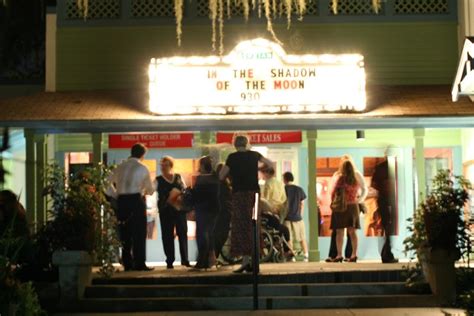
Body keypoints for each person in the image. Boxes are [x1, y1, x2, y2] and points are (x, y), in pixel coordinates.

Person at [219, 134, 273, 273]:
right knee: (253, 226)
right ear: (247, 143)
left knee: (241, 227)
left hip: (239, 194)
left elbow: (221, 175)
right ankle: (254, 262)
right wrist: (259, 170)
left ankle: (245, 262)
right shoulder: (254, 155)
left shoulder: (232, 157)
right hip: (254, 194)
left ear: (235, 144)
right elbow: (270, 163)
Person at [109, 143, 155, 271]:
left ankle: (127, 263)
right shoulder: (143, 168)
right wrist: (148, 190)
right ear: (142, 155)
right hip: (136, 200)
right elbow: (150, 190)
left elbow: (105, 183)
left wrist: (116, 194)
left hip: (122, 201)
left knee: (125, 232)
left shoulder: (119, 167)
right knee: (139, 232)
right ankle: (139, 263)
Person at [326, 155, 367, 262]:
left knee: (339, 232)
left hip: (341, 208)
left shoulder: (340, 178)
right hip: (353, 207)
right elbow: (364, 189)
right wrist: (359, 200)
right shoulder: (355, 178)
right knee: (352, 232)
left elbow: (334, 191)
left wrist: (333, 202)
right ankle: (354, 254)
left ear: (342, 167)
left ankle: (339, 255)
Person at [156, 155, 190, 269]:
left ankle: (185, 259)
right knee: (167, 235)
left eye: (165, 165)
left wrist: (181, 196)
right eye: (162, 165)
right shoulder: (158, 180)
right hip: (165, 210)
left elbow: (184, 189)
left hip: (179, 209)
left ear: (171, 166)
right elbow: (149, 190)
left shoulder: (178, 177)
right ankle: (169, 260)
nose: (163, 167)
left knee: (182, 233)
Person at [192, 156, 220, 270]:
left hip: (202, 209)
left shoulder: (200, 179)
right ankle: (211, 260)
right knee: (210, 233)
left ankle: (202, 261)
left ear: (202, 166)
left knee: (202, 234)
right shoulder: (215, 178)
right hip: (214, 209)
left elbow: (197, 196)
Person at [371, 158, 399, 263]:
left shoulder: (379, 168)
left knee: (386, 226)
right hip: (387, 199)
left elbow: (373, 184)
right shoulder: (391, 167)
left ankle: (386, 253)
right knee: (388, 227)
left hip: (383, 200)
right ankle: (387, 254)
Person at [283, 172, 309, 262]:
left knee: (289, 238)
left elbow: (283, 204)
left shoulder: (284, 189)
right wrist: (300, 215)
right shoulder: (299, 189)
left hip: (287, 217)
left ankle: (292, 256)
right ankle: (306, 255)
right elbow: (302, 204)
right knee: (302, 237)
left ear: (285, 179)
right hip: (298, 217)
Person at [214, 163, 232, 261]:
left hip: (221, 212)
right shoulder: (223, 184)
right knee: (221, 234)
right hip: (224, 212)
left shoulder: (221, 183)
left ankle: (215, 255)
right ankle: (215, 255)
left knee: (219, 234)